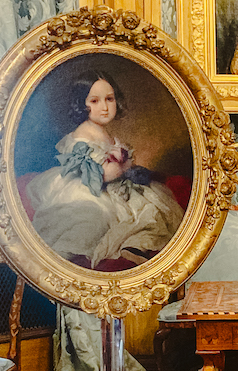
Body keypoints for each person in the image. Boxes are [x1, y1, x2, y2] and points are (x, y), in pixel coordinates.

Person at [23, 67, 185, 271]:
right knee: (94, 219)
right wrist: (123, 165)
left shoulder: (103, 132)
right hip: (90, 189)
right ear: (82, 105)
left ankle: (135, 247)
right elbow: (102, 175)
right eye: (94, 101)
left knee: (153, 210)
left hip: (112, 188)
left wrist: (123, 162)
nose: (105, 107)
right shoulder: (82, 136)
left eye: (109, 99)